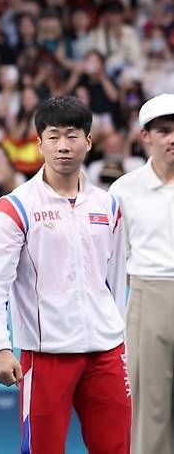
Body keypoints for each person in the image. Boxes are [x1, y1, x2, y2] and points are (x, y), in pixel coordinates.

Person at [0, 96, 131, 454]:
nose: (63, 146)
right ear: (39, 143)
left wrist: (122, 338)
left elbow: (117, 278)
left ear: (89, 141)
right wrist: (0, 348)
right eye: (54, 136)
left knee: (117, 448)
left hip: (106, 350)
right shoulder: (15, 207)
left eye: (72, 136)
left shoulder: (108, 205)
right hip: (46, 354)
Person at [109, 93, 174, 454]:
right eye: (163, 131)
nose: (172, 138)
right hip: (148, 296)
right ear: (145, 137)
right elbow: (115, 261)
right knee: (148, 409)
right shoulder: (123, 191)